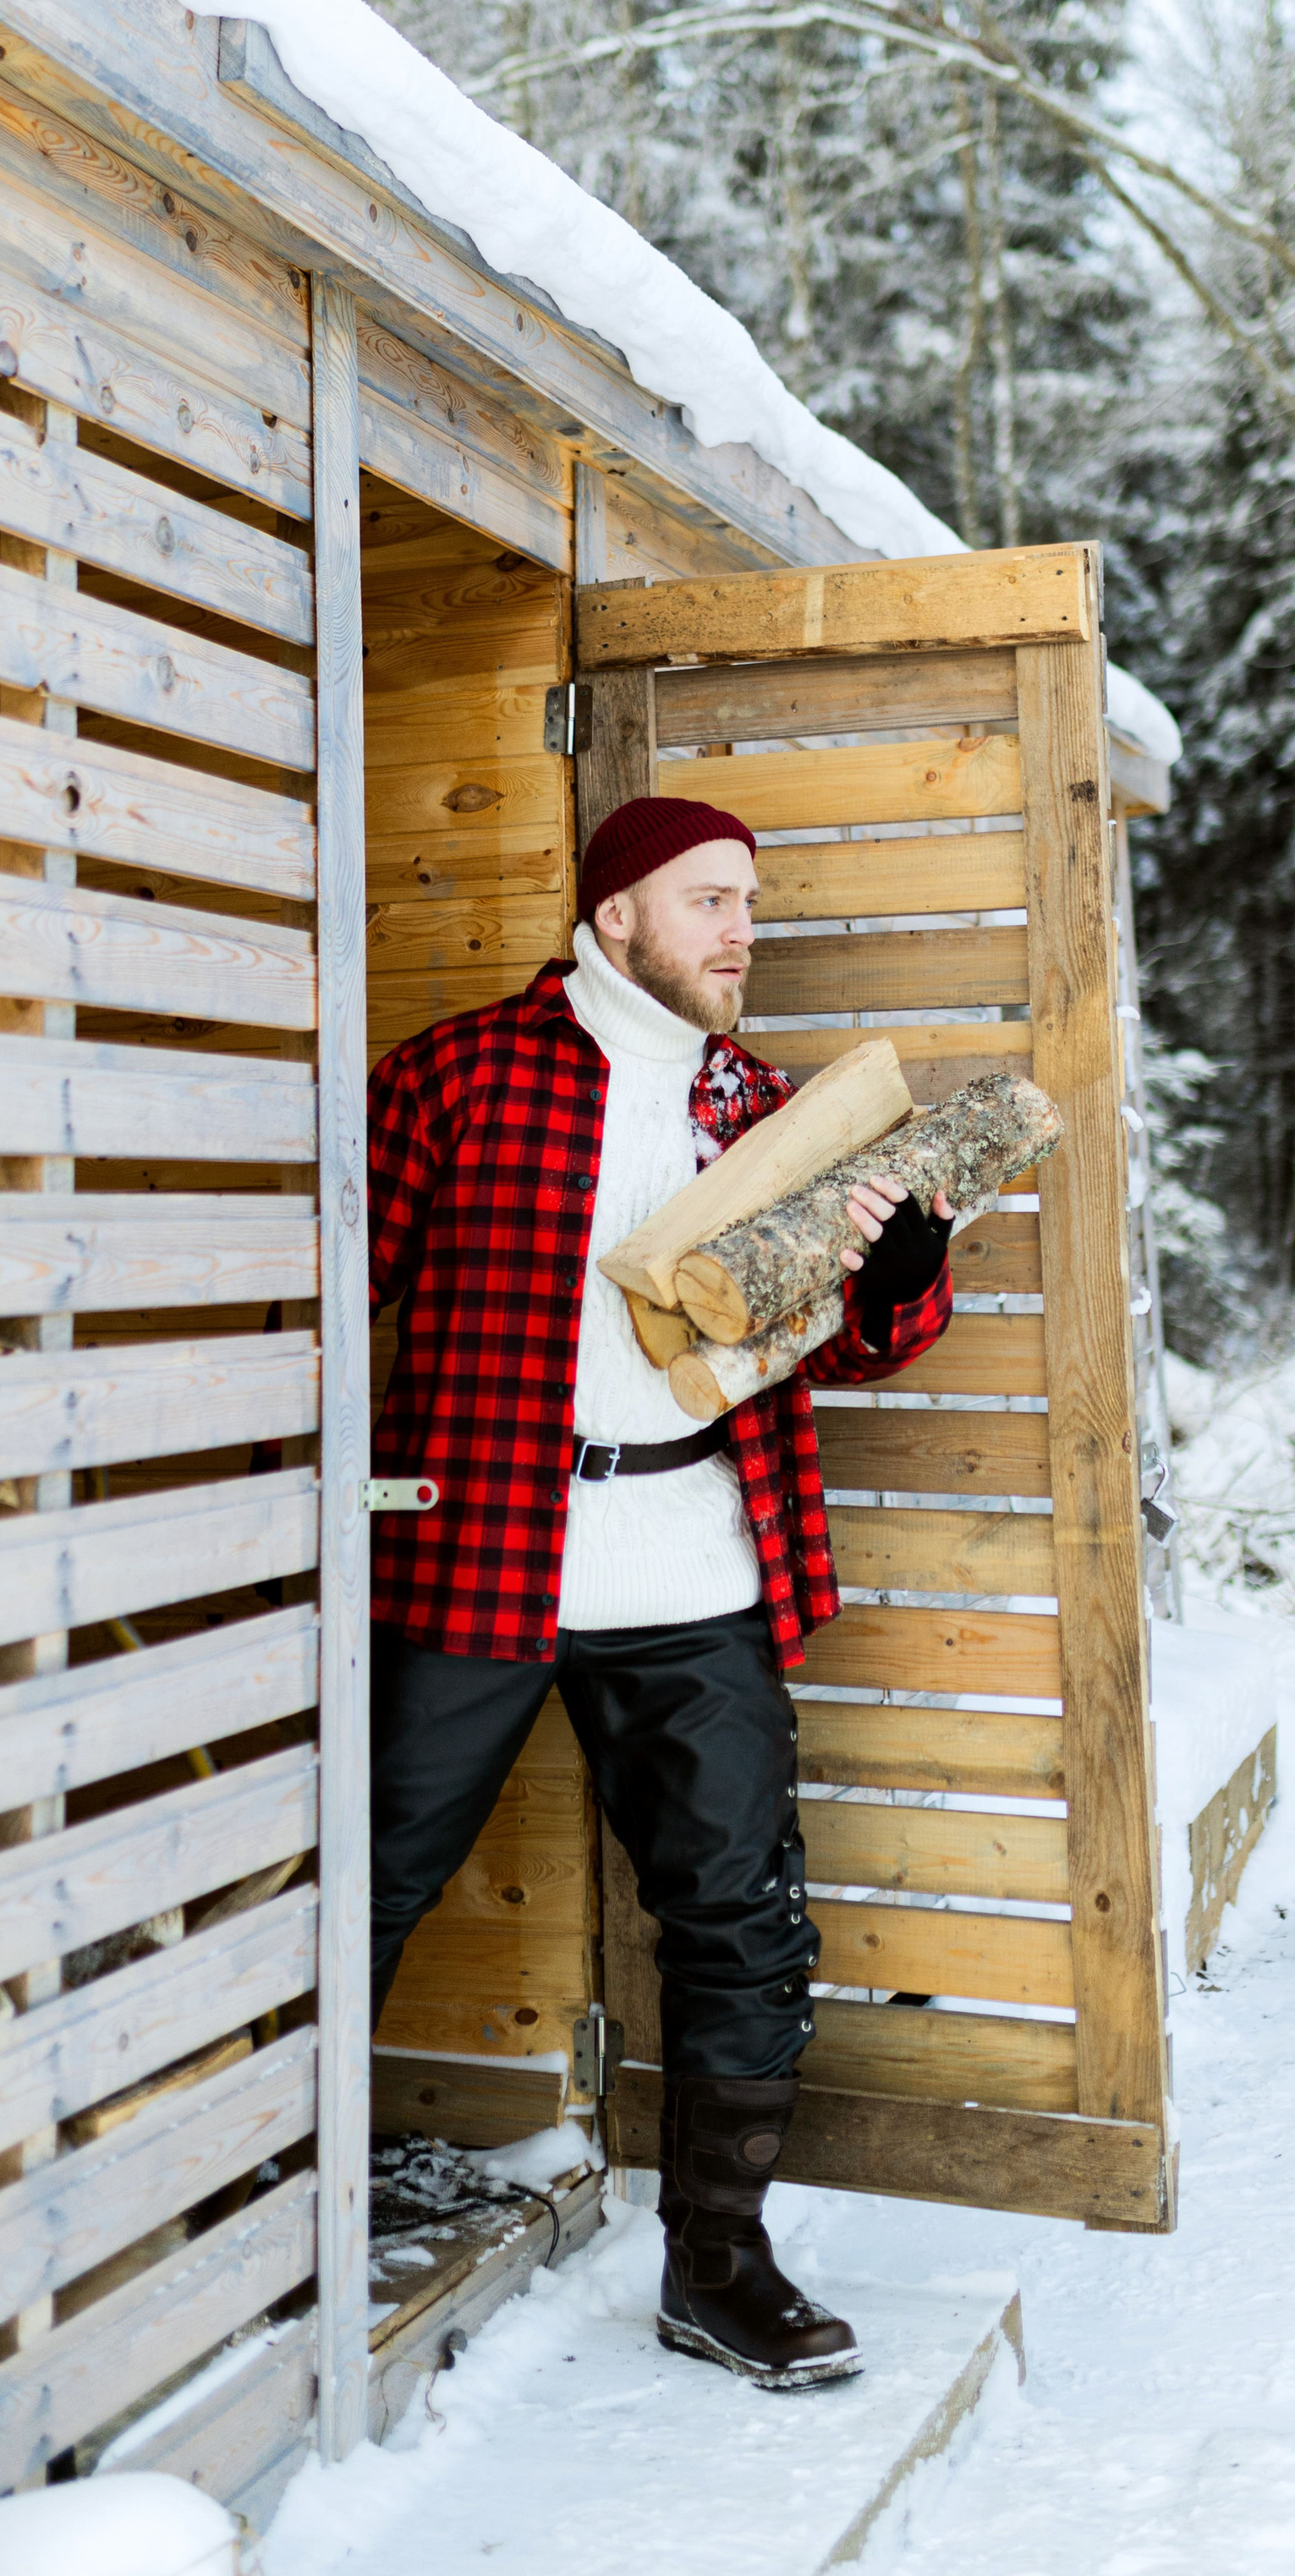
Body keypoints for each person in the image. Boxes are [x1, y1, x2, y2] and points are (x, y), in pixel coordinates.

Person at [365, 792, 955, 2388]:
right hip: (476, 1555)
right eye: (709, 901)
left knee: (742, 1923)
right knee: (367, 1885)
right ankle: (274, 2206)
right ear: (615, 913)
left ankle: (723, 2265)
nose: (741, 932)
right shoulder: (458, 1079)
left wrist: (898, 1274)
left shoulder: (771, 1115)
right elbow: (339, 1284)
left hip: (695, 1562)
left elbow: (855, 1339)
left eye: (750, 903)